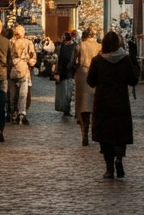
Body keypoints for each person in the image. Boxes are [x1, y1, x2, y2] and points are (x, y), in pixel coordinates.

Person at [85, 30, 138, 179]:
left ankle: (109, 169)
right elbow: (133, 80)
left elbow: (90, 81)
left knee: (105, 135)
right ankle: (119, 159)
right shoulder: (125, 59)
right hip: (120, 102)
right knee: (120, 133)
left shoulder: (97, 61)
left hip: (103, 103)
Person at [73, 26, 102, 145]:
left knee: (83, 105)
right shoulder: (99, 46)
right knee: (95, 105)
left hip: (83, 75)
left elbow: (74, 61)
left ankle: (84, 133)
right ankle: (95, 131)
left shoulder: (80, 45)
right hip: (96, 75)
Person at [8, 25, 36, 126]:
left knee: (21, 95)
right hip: (15, 72)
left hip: (22, 72)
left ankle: (20, 113)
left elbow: (33, 57)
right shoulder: (10, 43)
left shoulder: (27, 43)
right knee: (16, 95)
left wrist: (30, 61)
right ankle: (16, 113)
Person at [55, 31, 77, 117]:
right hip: (65, 72)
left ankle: (66, 108)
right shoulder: (65, 46)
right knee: (66, 91)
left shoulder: (70, 46)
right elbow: (60, 60)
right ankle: (65, 108)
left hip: (68, 72)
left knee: (68, 91)